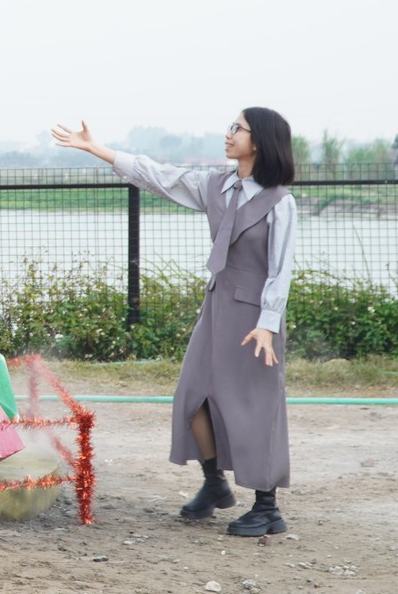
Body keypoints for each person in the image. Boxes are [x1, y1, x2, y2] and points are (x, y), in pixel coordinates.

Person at [52, 109, 299, 537]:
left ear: (259, 140)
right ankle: (214, 484)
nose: (228, 134)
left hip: (256, 319)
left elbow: (281, 270)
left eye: (237, 128)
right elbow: (157, 175)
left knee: (255, 407)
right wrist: (97, 149)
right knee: (192, 397)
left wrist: (268, 323)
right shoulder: (217, 186)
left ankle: (267, 507)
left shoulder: (281, 202)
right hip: (218, 305)